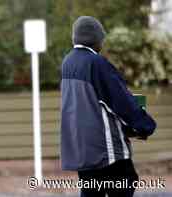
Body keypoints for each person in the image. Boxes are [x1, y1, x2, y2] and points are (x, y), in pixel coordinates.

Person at [60, 16, 157, 197]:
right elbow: (121, 102)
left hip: (81, 147)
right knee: (125, 182)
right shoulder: (97, 63)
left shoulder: (68, 62)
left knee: (91, 191)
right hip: (105, 149)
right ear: (96, 39)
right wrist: (146, 126)